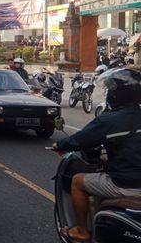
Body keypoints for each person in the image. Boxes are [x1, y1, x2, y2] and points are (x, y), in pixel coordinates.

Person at [52, 67, 141, 242]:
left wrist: (60, 144)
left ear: (117, 94)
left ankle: (81, 231)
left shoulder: (109, 120)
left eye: (110, 90)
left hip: (127, 185)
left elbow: (79, 139)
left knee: (78, 181)